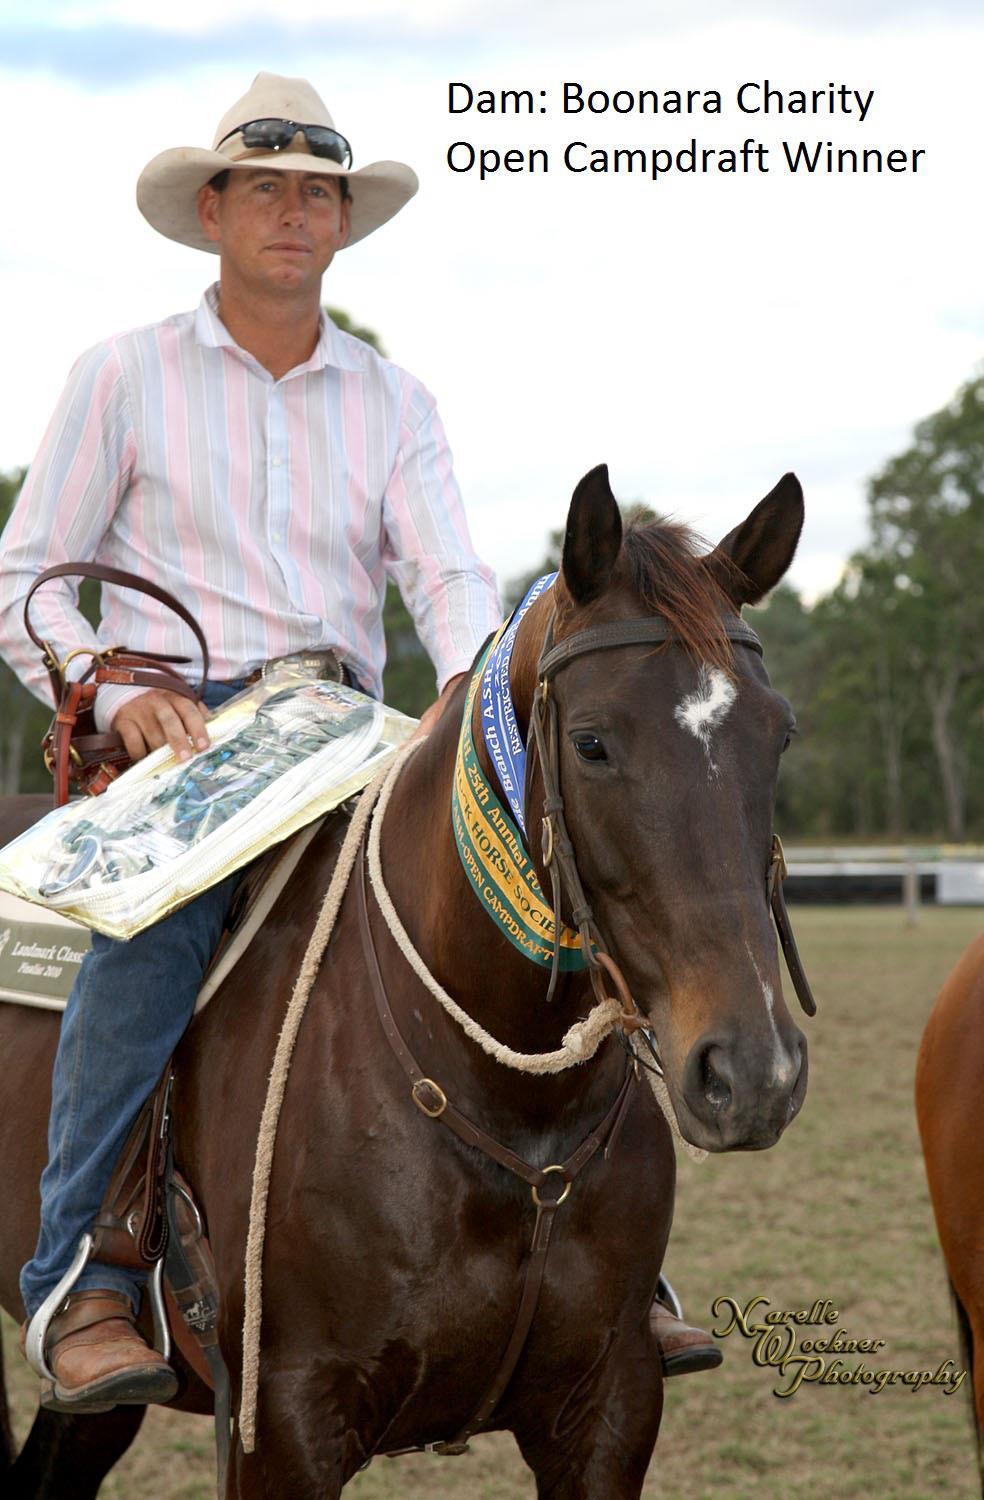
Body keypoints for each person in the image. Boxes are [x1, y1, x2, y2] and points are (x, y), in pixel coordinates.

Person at [0, 71, 716, 1414]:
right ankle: (86, 1271)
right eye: (266, 189)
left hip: (349, 725)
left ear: (342, 224)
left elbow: (446, 570)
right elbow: (27, 575)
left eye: (319, 195)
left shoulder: (393, 398)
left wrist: (472, 691)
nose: (295, 213)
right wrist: (107, 685)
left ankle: (625, 1263)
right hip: (187, 733)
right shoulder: (123, 376)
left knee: (551, 905)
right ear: (213, 212)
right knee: (153, 936)